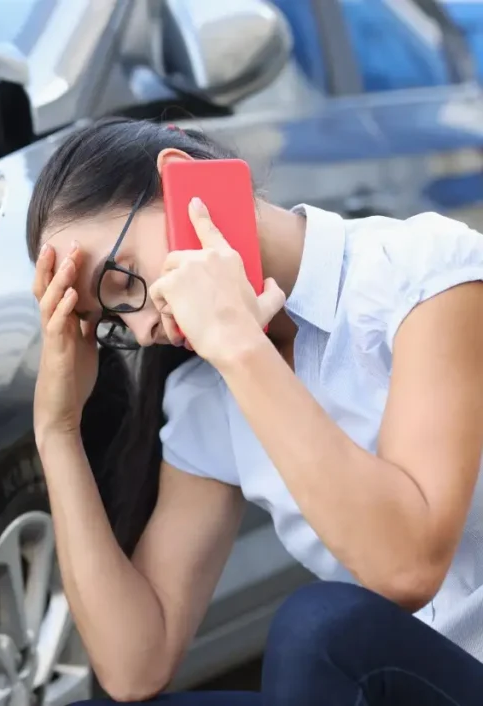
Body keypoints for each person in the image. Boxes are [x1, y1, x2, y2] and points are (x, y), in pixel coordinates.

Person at [27, 117, 483, 705]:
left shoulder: (422, 276)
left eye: (123, 281)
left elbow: (405, 568)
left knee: (322, 628)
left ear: (185, 184)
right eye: (110, 322)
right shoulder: (206, 393)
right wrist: (56, 429)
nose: (141, 331)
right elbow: (134, 665)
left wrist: (239, 343)